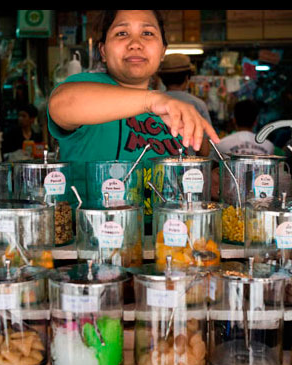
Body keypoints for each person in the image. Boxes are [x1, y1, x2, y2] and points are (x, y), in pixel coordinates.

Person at [47, 10, 219, 217]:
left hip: (164, 240)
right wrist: (152, 100)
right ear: (102, 51)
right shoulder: (87, 87)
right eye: (121, 33)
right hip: (95, 241)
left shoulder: (167, 109)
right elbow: (62, 104)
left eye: (147, 33)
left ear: (163, 50)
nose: (135, 43)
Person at [157, 53, 213, 156]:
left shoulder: (152, 104)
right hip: (188, 168)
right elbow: (204, 151)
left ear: (162, 79)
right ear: (187, 77)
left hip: (157, 166)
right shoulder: (197, 105)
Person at [210, 99, 280, 160]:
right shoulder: (268, 146)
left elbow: (215, 170)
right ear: (255, 121)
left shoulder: (221, 144)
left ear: (234, 120)